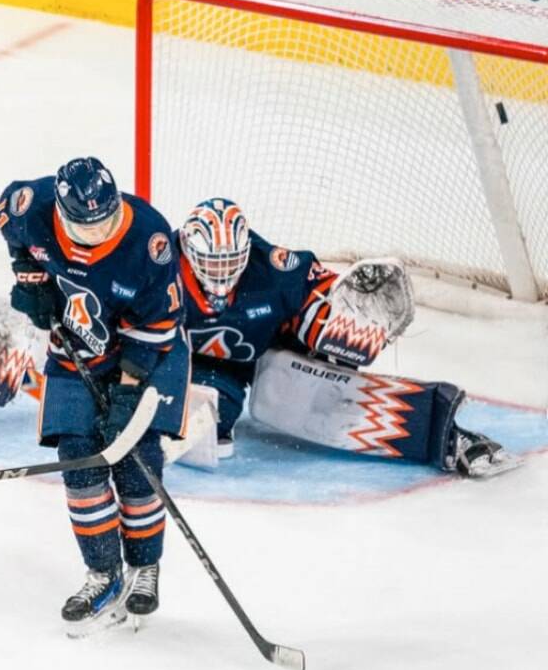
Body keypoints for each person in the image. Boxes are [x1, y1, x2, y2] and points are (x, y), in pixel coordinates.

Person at [176, 197, 516, 477]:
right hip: (189, 360)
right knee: (205, 428)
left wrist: (350, 319)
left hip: (269, 342)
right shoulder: (160, 267)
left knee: (321, 387)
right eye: (211, 262)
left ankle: (446, 437)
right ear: (188, 251)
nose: (221, 273)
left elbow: (324, 290)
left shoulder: (274, 268)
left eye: (231, 261)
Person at [0, 157, 190, 635]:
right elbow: (5, 215)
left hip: (149, 357)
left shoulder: (149, 240)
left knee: (135, 458)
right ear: (61, 213)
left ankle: (145, 567)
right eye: (87, 223)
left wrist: (126, 395)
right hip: (73, 350)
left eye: (106, 217)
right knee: (78, 461)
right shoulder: (34, 206)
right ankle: (103, 573)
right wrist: (29, 276)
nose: (100, 229)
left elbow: (158, 326)